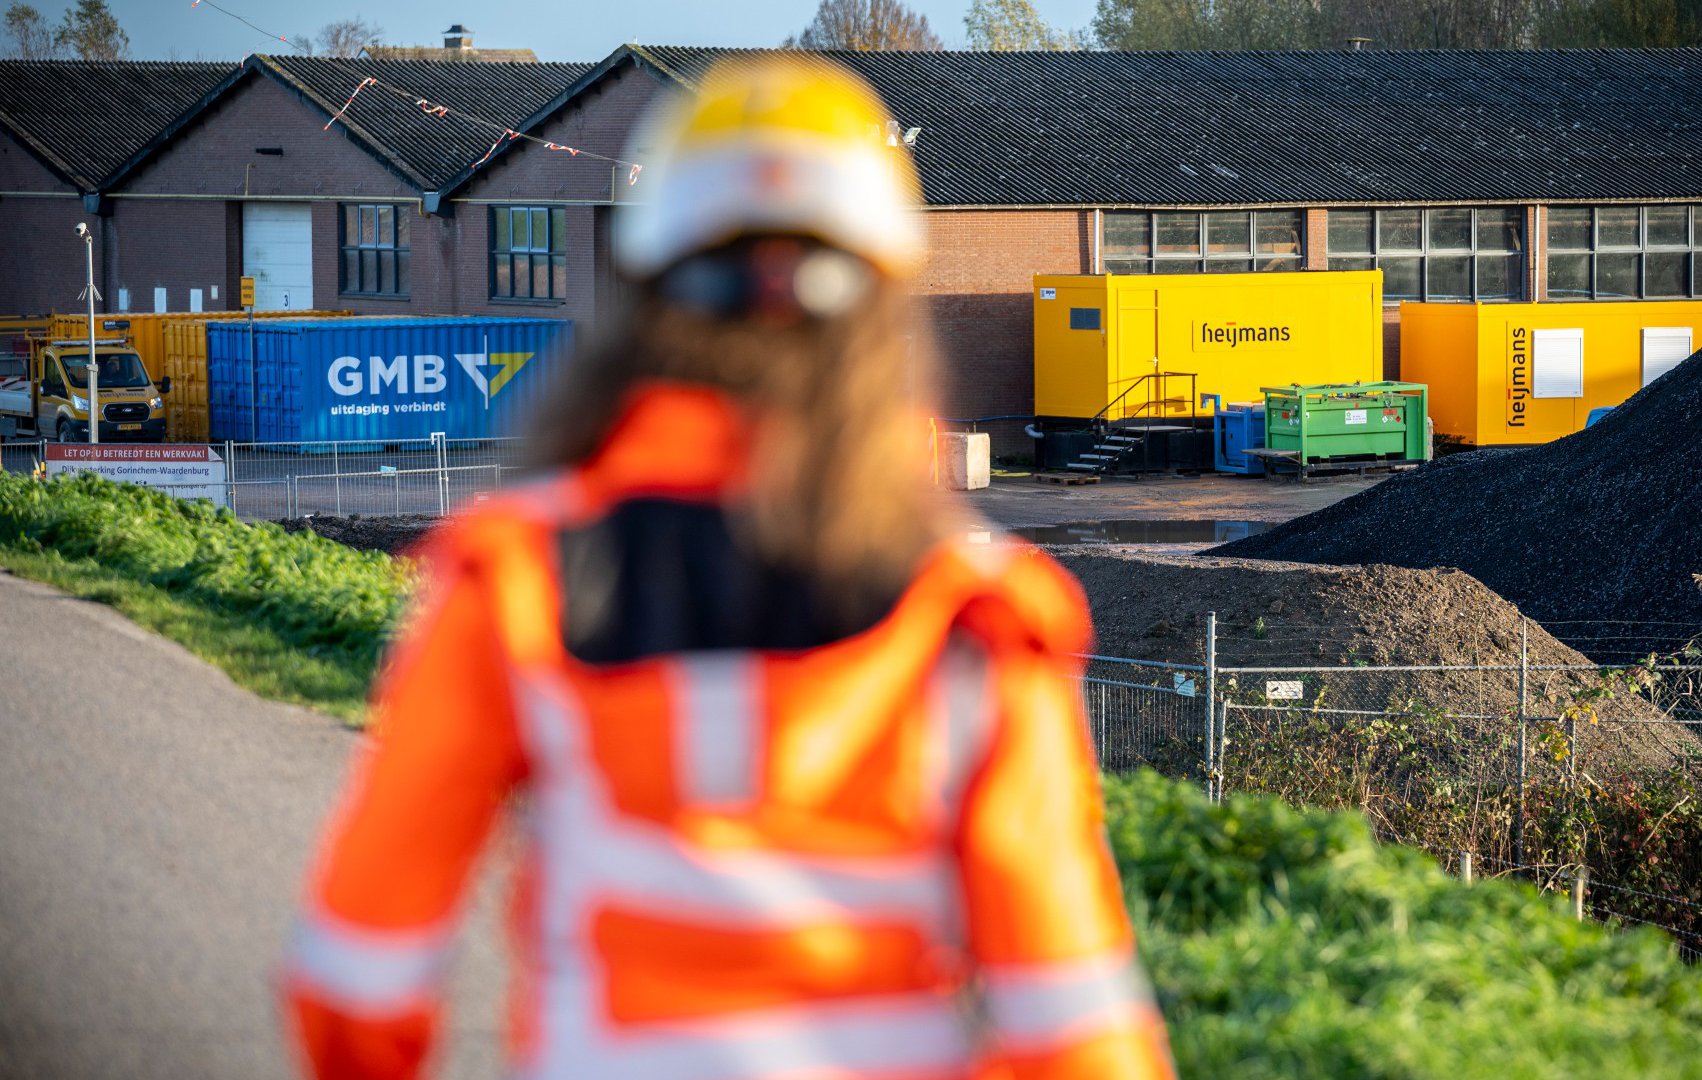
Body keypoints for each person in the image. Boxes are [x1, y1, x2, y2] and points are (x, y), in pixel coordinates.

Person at [281, 56, 1175, 1080]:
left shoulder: (520, 573)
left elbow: (357, 981)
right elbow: (1072, 1021)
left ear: (649, 296)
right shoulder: (974, 610)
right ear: (884, 309)